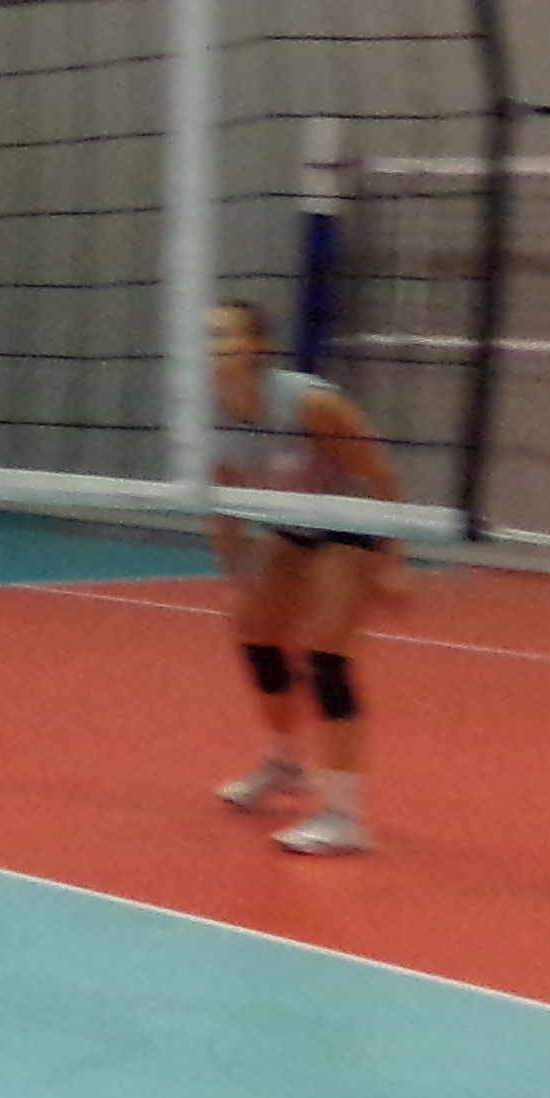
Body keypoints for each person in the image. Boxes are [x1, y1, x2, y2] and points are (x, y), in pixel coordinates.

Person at [206, 298, 405, 856]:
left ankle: (344, 815)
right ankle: (285, 763)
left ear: (256, 346)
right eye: (204, 335)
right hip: (294, 524)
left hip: (353, 521)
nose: (210, 345)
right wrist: (235, 577)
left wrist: (393, 561)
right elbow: (222, 500)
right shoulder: (214, 411)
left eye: (222, 334)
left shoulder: (309, 403)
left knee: (326, 657)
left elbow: (379, 474)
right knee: (254, 630)